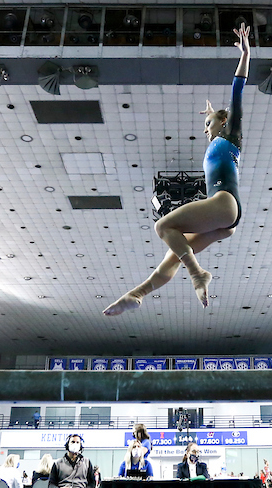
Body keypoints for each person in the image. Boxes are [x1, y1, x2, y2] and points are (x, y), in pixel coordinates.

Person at [104, 21, 252, 314]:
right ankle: (137, 294)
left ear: (224, 122)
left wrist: (245, 54)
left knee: (164, 225)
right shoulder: (219, 141)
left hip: (225, 204)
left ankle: (198, 274)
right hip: (226, 216)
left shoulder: (232, 133)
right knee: (172, 256)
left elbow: (237, 91)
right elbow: (218, 121)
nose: (205, 129)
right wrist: (212, 115)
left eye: (208, 124)